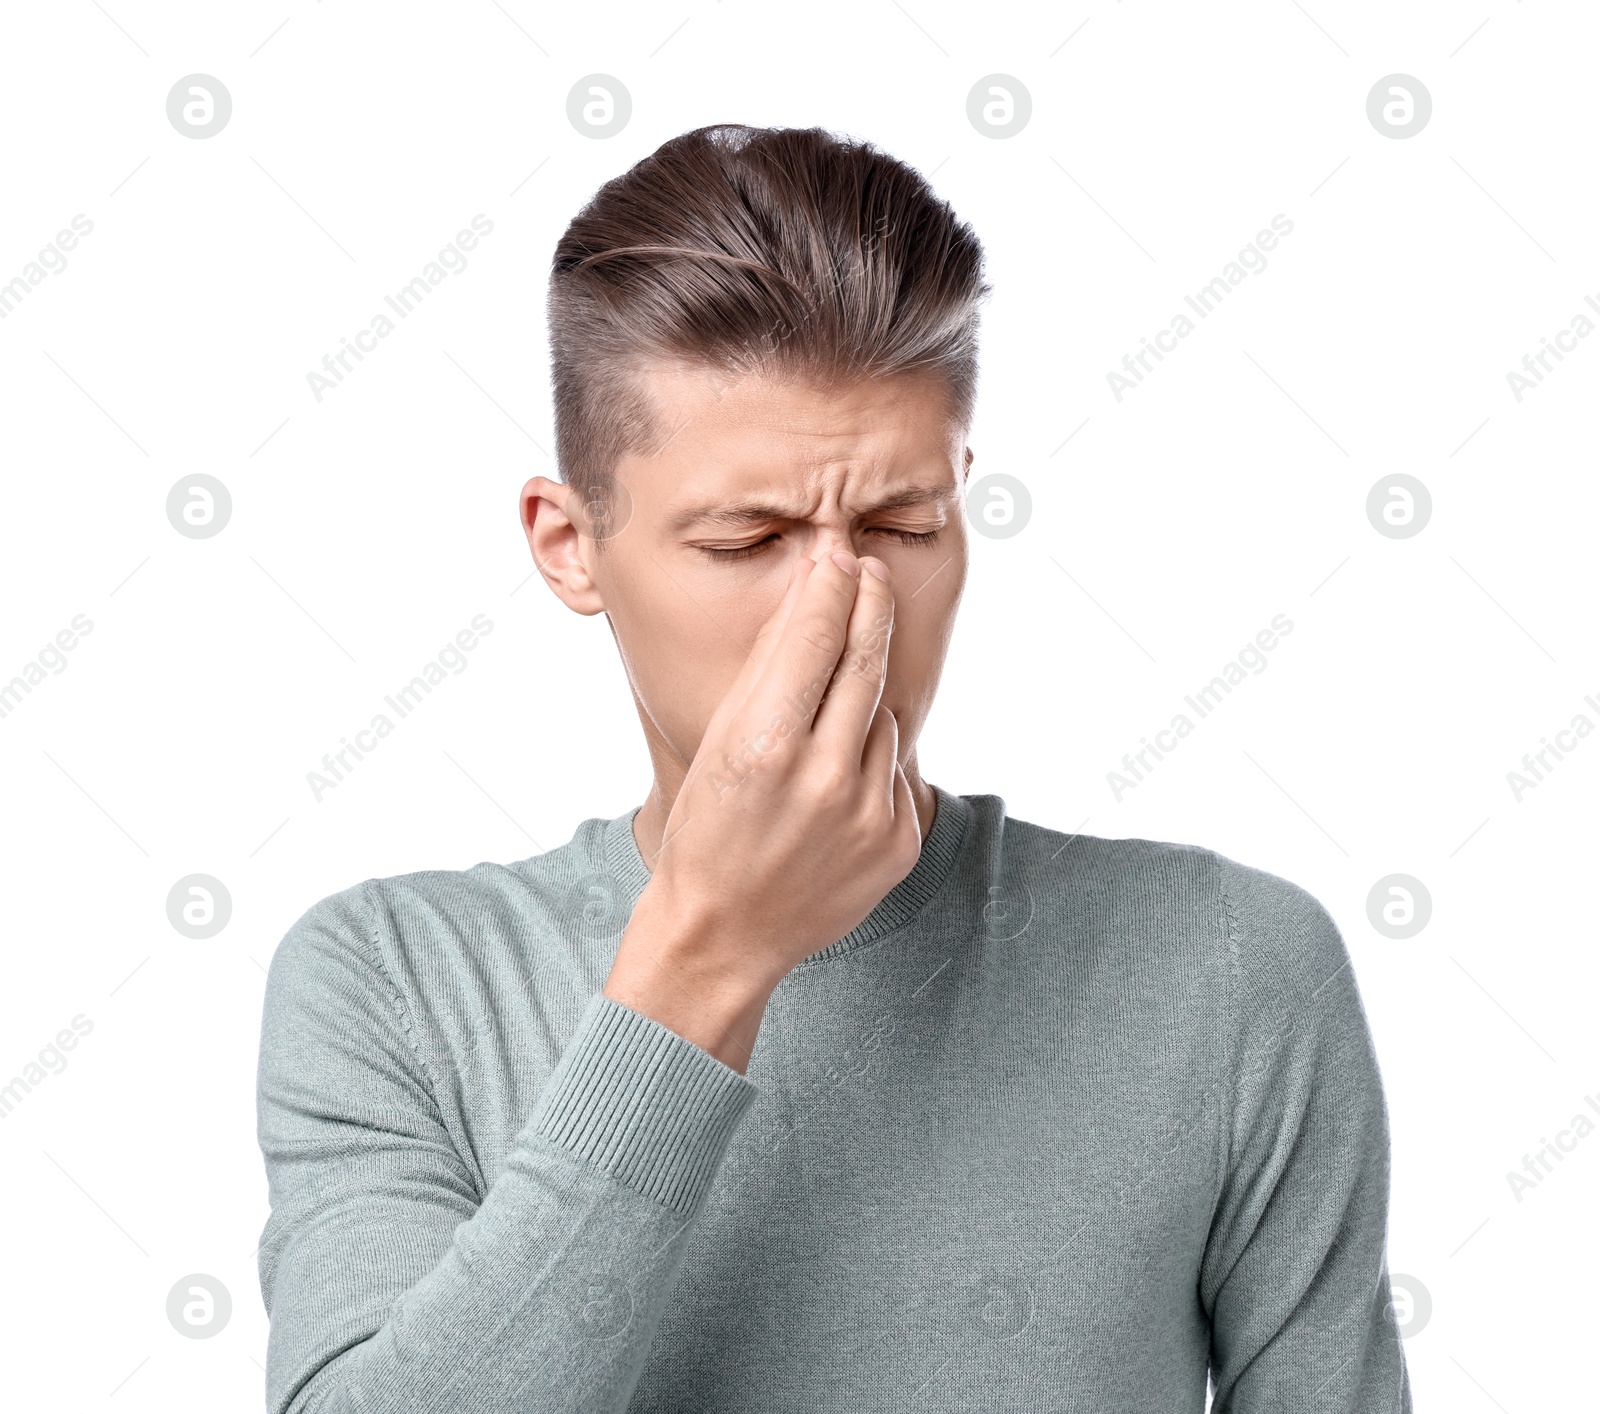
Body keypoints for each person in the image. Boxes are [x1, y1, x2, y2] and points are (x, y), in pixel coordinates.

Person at [256, 123, 1411, 1412]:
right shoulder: (398, 982)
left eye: (900, 525)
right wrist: (708, 959)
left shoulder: (1229, 966)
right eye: (746, 538)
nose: (840, 610)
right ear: (569, 545)